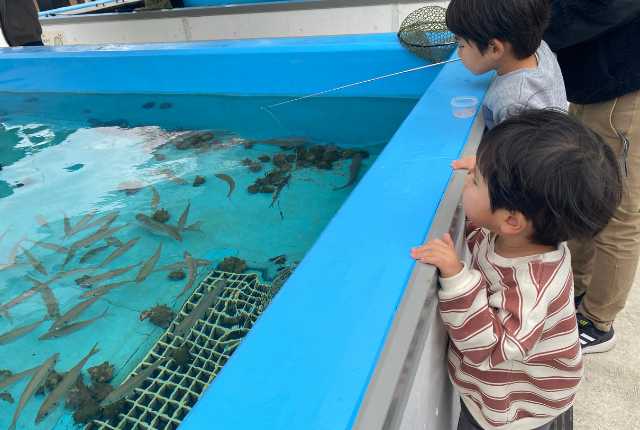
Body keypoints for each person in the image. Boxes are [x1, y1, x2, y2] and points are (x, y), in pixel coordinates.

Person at [411, 110, 622, 430]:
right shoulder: (524, 238)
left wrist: (456, 278)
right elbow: (483, 232)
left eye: (476, 180)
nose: (468, 180)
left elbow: (493, 348)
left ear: (512, 219)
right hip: (510, 393)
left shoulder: (531, 288)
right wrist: (487, 180)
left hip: (519, 412)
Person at [544, 2, 640, 354]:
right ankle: (578, 287)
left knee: (619, 212)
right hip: (592, 86)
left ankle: (600, 321)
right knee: (584, 192)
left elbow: (605, 8)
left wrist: (531, 25)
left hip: (623, 93)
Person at [446, 0, 566, 130]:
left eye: (461, 45)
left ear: (495, 49)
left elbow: (517, 149)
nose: (459, 53)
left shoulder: (516, 105)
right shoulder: (540, 47)